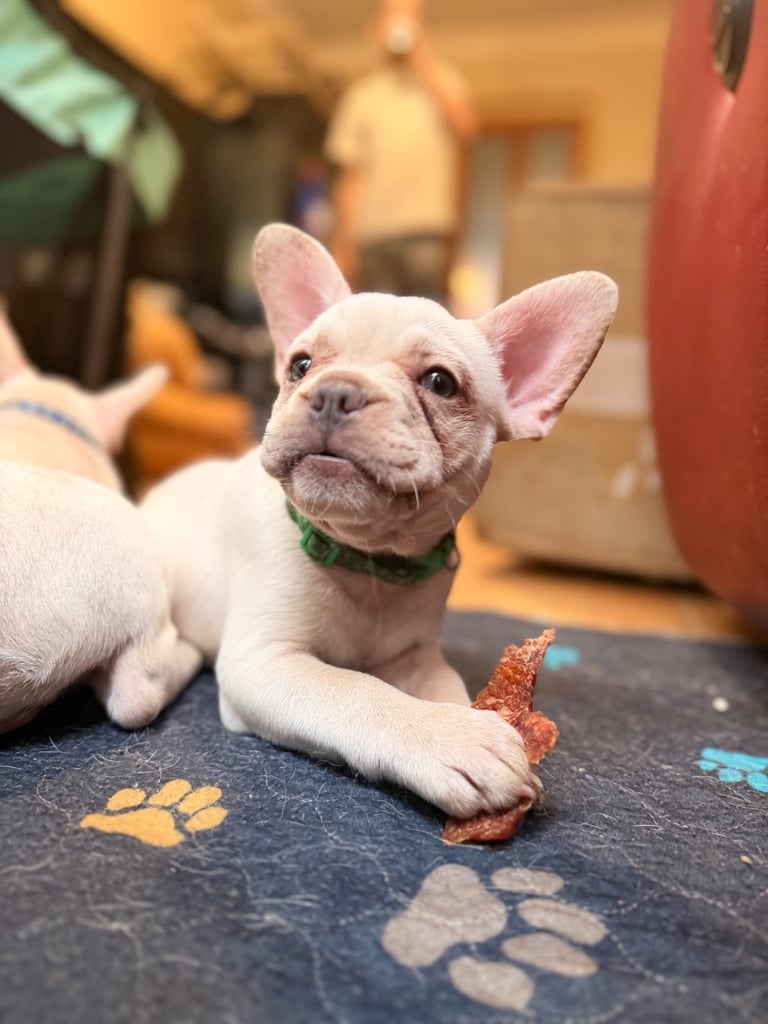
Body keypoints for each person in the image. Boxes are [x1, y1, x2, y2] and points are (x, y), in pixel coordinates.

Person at [324, 0, 477, 303]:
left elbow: (467, 129)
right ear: (375, 29)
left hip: (427, 229)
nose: (402, 27)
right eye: (393, 17)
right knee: (378, 326)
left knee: (427, 327)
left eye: (411, 19)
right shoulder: (361, 96)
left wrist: (423, 60)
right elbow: (352, 175)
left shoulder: (445, 83)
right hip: (372, 236)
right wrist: (343, 244)